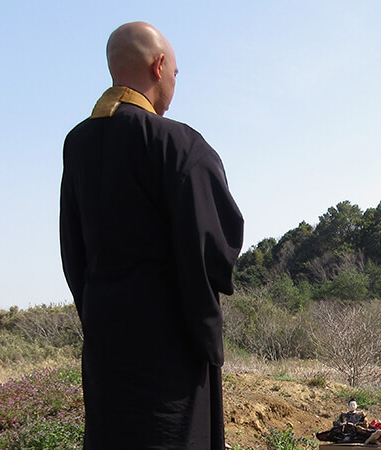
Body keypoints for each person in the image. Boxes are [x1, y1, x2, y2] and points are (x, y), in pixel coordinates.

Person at [60, 21, 244, 449]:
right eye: (177, 73)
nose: (175, 82)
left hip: (106, 343)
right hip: (170, 349)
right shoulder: (178, 145)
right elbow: (216, 248)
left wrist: (97, 310)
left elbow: (73, 250)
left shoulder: (78, 144)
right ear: (159, 66)